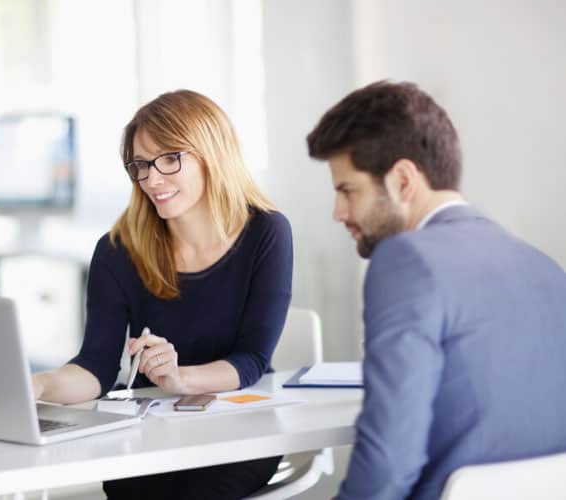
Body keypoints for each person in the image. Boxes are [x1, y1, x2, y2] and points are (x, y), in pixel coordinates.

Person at [306, 80, 566, 500]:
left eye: (347, 191)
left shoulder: (406, 259)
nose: (338, 213)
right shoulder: (545, 266)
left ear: (403, 180)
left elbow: (389, 465)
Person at [33, 89, 293, 500]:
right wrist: (40, 385)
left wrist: (179, 378)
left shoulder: (266, 232)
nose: (152, 179)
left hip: (239, 430)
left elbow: (253, 359)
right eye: (141, 165)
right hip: (151, 435)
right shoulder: (118, 250)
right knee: (133, 488)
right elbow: (96, 367)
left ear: (212, 154)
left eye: (169, 159)